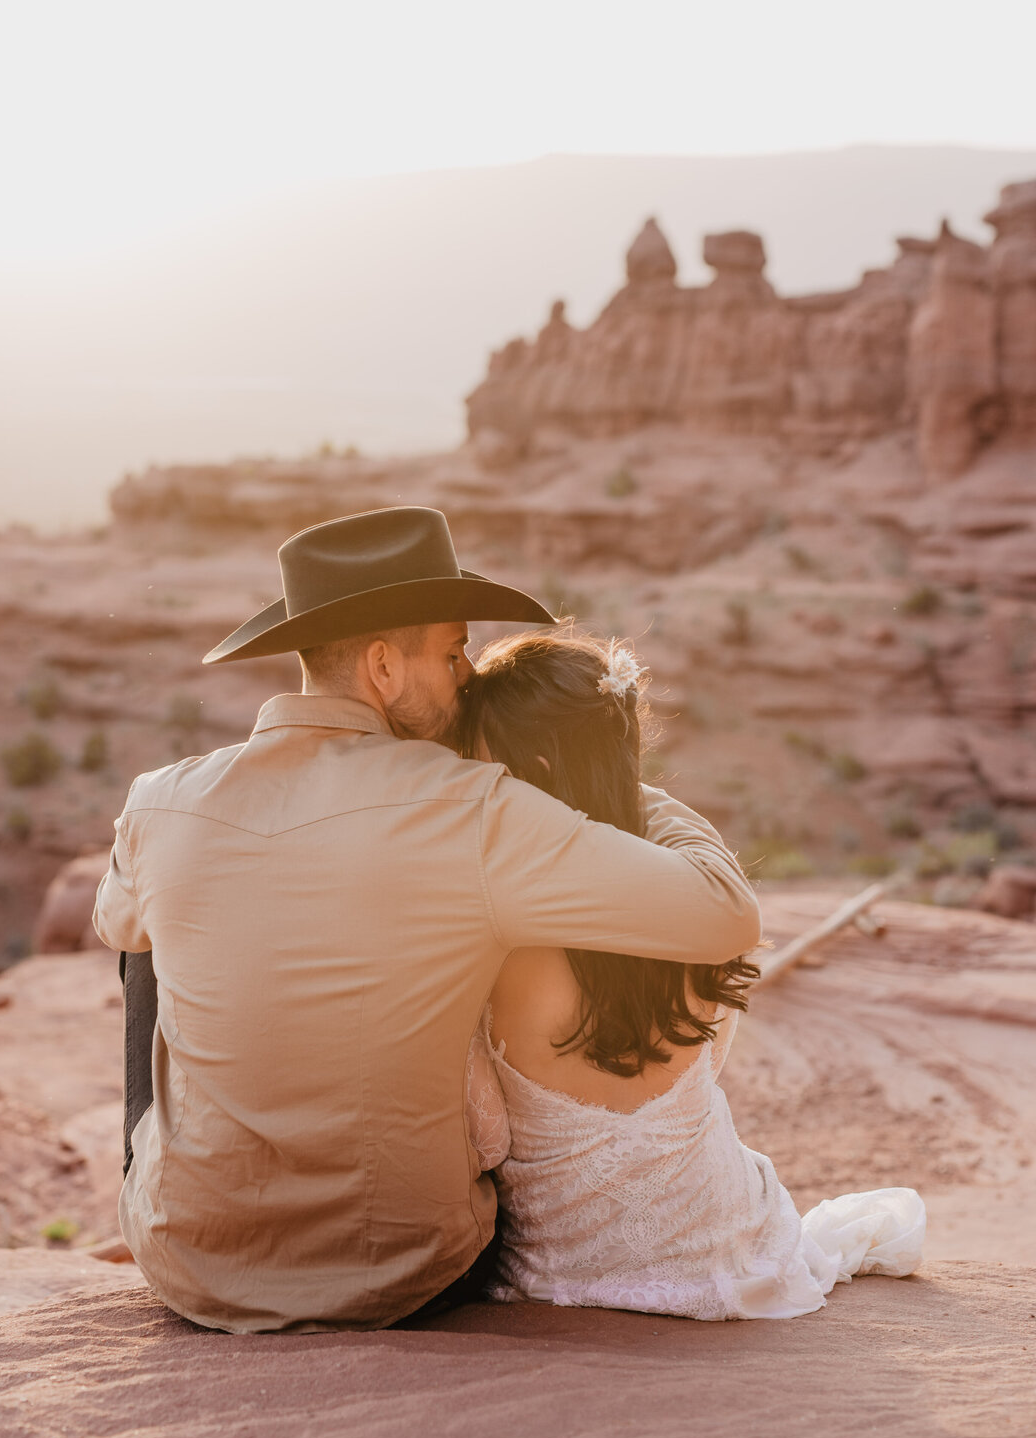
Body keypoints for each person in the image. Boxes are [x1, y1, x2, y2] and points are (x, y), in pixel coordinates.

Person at [93, 505, 761, 1333]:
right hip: (412, 1278)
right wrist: (617, 789)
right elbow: (725, 915)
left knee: (148, 940)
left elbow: (115, 925)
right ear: (382, 666)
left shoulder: (160, 800)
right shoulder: (477, 810)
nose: (467, 677)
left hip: (187, 1267)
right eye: (451, 654)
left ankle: (155, 1183)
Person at [460, 627, 925, 1320]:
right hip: (731, 1255)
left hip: (561, 1269)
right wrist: (607, 786)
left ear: (529, 770)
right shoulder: (696, 916)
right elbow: (713, 1061)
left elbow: (486, 1133)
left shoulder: (497, 940)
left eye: (486, 765)